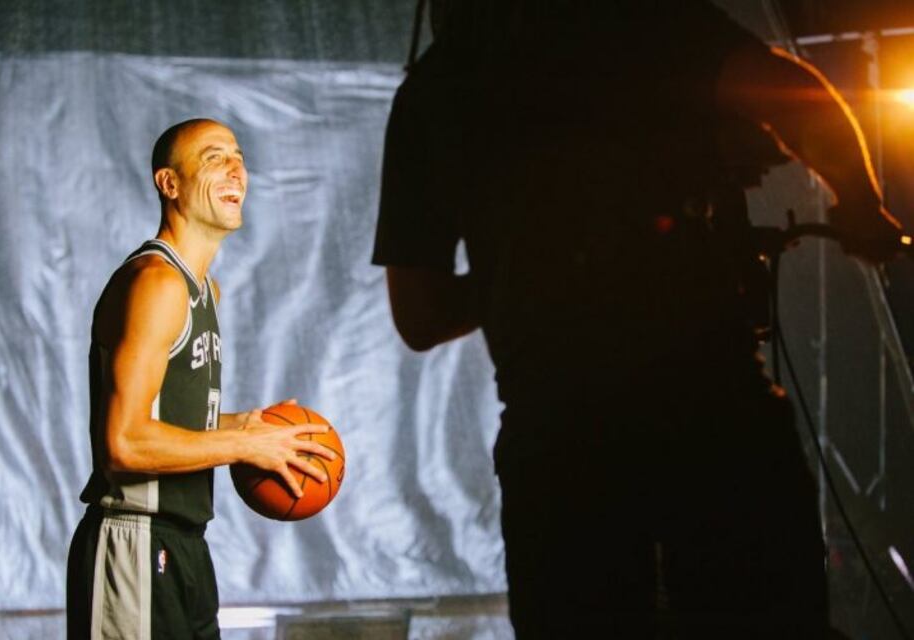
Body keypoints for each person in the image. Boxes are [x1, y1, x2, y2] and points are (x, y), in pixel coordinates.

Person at [372, 2, 903, 638]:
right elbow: (792, 94)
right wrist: (863, 206)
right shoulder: (645, 24)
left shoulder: (433, 92)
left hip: (559, 445)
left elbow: (421, 316)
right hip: (714, 416)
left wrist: (527, 272)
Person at [66, 119, 336, 639]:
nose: (236, 168)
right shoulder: (157, 282)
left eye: (239, 156)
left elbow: (169, 416)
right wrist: (241, 446)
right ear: (169, 184)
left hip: (185, 545)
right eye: (214, 157)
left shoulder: (204, 289)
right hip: (135, 540)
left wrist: (251, 427)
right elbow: (122, 443)